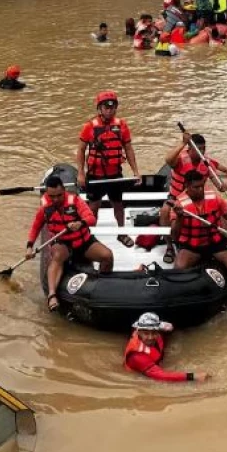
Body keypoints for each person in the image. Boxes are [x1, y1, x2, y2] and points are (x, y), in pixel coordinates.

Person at [171, 170, 227, 312]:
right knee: (179, 269)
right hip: (192, 245)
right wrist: (179, 217)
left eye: (201, 186)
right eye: (195, 187)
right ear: (187, 186)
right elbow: (175, 235)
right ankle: (178, 307)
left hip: (216, 242)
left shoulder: (215, 199)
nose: (200, 190)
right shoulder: (179, 205)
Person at [26, 175, 114, 311]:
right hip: (62, 243)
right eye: (52, 196)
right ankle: (52, 295)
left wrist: (80, 223)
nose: (55, 199)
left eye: (59, 195)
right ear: (48, 194)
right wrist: (29, 247)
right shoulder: (45, 208)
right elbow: (35, 227)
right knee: (57, 257)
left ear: (64, 191)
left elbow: (91, 218)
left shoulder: (75, 201)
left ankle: (102, 285)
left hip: (83, 242)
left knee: (107, 256)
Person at [76, 91, 141, 248]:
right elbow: (80, 150)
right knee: (93, 207)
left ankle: (122, 233)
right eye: (106, 107)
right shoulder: (89, 127)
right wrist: (80, 173)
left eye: (113, 107)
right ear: (100, 109)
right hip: (96, 175)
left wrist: (136, 172)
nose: (110, 110)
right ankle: (90, 237)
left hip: (115, 174)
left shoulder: (121, 125)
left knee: (118, 205)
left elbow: (128, 149)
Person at [160, 132, 227, 263]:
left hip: (198, 197)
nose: (201, 151)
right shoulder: (179, 160)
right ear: (189, 149)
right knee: (164, 211)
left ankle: (224, 241)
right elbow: (168, 160)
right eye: (198, 149)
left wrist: (221, 185)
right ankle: (169, 246)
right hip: (176, 197)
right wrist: (183, 142)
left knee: (220, 210)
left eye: (203, 148)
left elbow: (214, 176)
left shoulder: (206, 162)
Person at [124, 312, 209, 382]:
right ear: (139, 333)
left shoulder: (161, 331)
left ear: (159, 331)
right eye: (146, 333)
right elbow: (161, 376)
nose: (150, 337)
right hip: (143, 373)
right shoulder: (136, 356)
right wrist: (193, 376)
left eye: (154, 333)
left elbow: (167, 328)